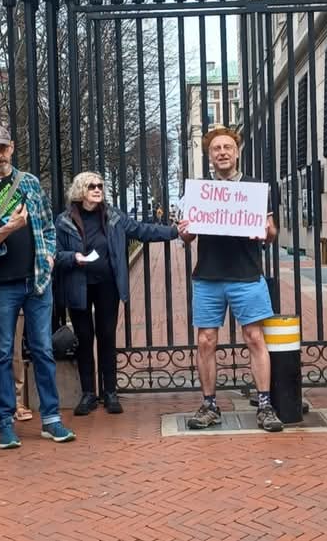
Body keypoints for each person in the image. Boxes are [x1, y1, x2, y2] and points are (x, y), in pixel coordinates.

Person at [0, 124, 76, 449]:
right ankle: (4, 422)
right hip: (0, 285)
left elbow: (48, 227)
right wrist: (6, 230)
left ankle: (52, 418)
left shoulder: (29, 183)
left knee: (42, 350)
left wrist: (50, 258)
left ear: (12, 147)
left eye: (4, 148)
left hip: (37, 280)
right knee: (1, 353)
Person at [176, 126, 284, 433]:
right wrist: (184, 231)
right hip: (208, 275)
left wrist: (265, 230)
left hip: (246, 273)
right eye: (216, 149)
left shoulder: (255, 188)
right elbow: (188, 235)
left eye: (227, 147)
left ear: (236, 152)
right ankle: (209, 404)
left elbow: (272, 233)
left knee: (254, 338)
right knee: (205, 341)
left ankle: (265, 404)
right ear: (209, 156)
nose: (222, 153)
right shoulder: (198, 191)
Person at [56, 171, 179, 415]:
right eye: (92, 186)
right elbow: (56, 253)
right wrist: (74, 257)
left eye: (100, 185)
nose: (97, 189)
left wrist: (174, 232)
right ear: (80, 191)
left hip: (107, 285)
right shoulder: (64, 221)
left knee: (107, 336)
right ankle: (89, 393)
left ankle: (110, 392)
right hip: (79, 286)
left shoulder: (113, 217)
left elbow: (143, 230)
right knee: (83, 337)